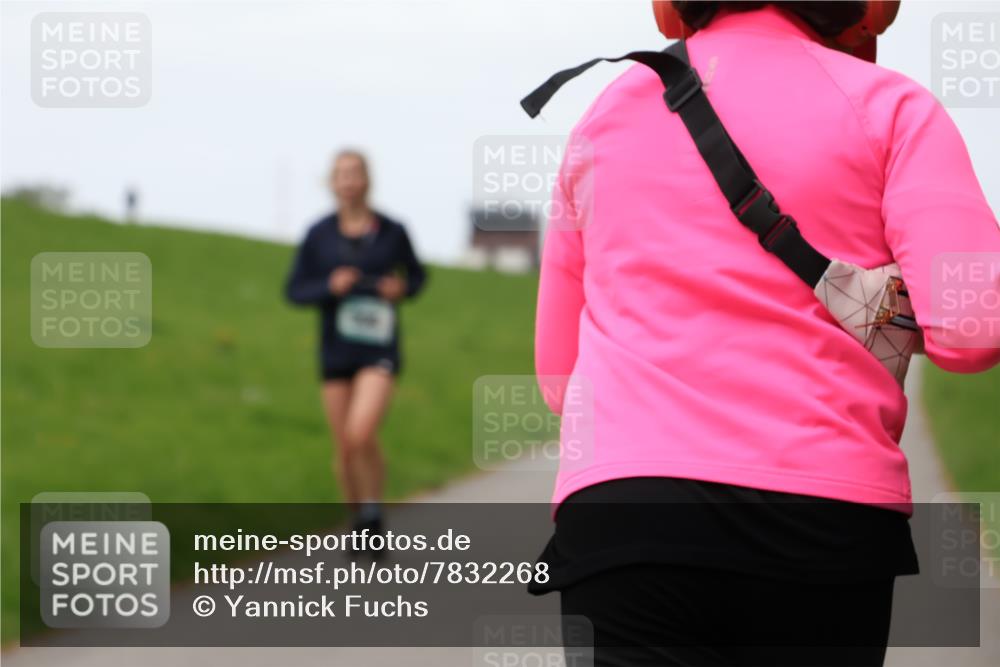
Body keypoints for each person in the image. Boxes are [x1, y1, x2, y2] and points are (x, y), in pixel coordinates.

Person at [528, 2, 1000, 665]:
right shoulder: (890, 106)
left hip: (625, 517)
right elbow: (971, 332)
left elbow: (558, 378)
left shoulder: (604, 116)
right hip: (819, 521)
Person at [285, 149, 426, 547]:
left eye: (355, 173)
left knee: (360, 433)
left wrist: (401, 289)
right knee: (344, 446)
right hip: (336, 350)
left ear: (367, 180)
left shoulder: (393, 231)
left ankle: (372, 509)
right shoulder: (319, 235)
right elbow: (294, 290)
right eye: (340, 175)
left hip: (378, 348)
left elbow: (416, 277)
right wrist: (330, 285)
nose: (348, 181)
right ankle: (360, 522)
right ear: (332, 183)